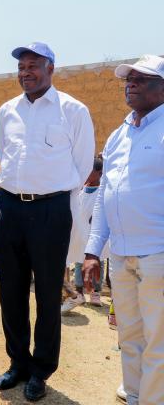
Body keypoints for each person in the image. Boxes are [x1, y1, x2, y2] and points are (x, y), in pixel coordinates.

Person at [0, 42, 94, 401]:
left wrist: (48, 194)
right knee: (10, 292)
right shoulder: (7, 111)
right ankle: (18, 363)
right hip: (9, 208)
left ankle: (41, 369)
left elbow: (82, 168)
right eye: (21, 67)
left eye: (33, 65)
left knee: (48, 294)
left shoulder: (73, 111)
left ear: (51, 68)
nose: (25, 73)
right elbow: (4, 156)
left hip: (50, 212)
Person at [83, 54, 164, 405]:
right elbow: (104, 195)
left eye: (141, 79)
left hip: (158, 254)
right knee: (129, 334)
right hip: (120, 254)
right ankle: (134, 394)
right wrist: (92, 250)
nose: (130, 84)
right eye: (128, 79)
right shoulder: (118, 135)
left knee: (158, 339)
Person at [61, 157, 104, 313]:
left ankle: (95, 292)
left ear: (99, 173)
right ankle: (79, 292)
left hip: (93, 234)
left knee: (95, 263)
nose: (86, 174)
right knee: (78, 263)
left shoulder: (102, 191)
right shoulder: (82, 189)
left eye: (90, 170)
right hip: (79, 233)